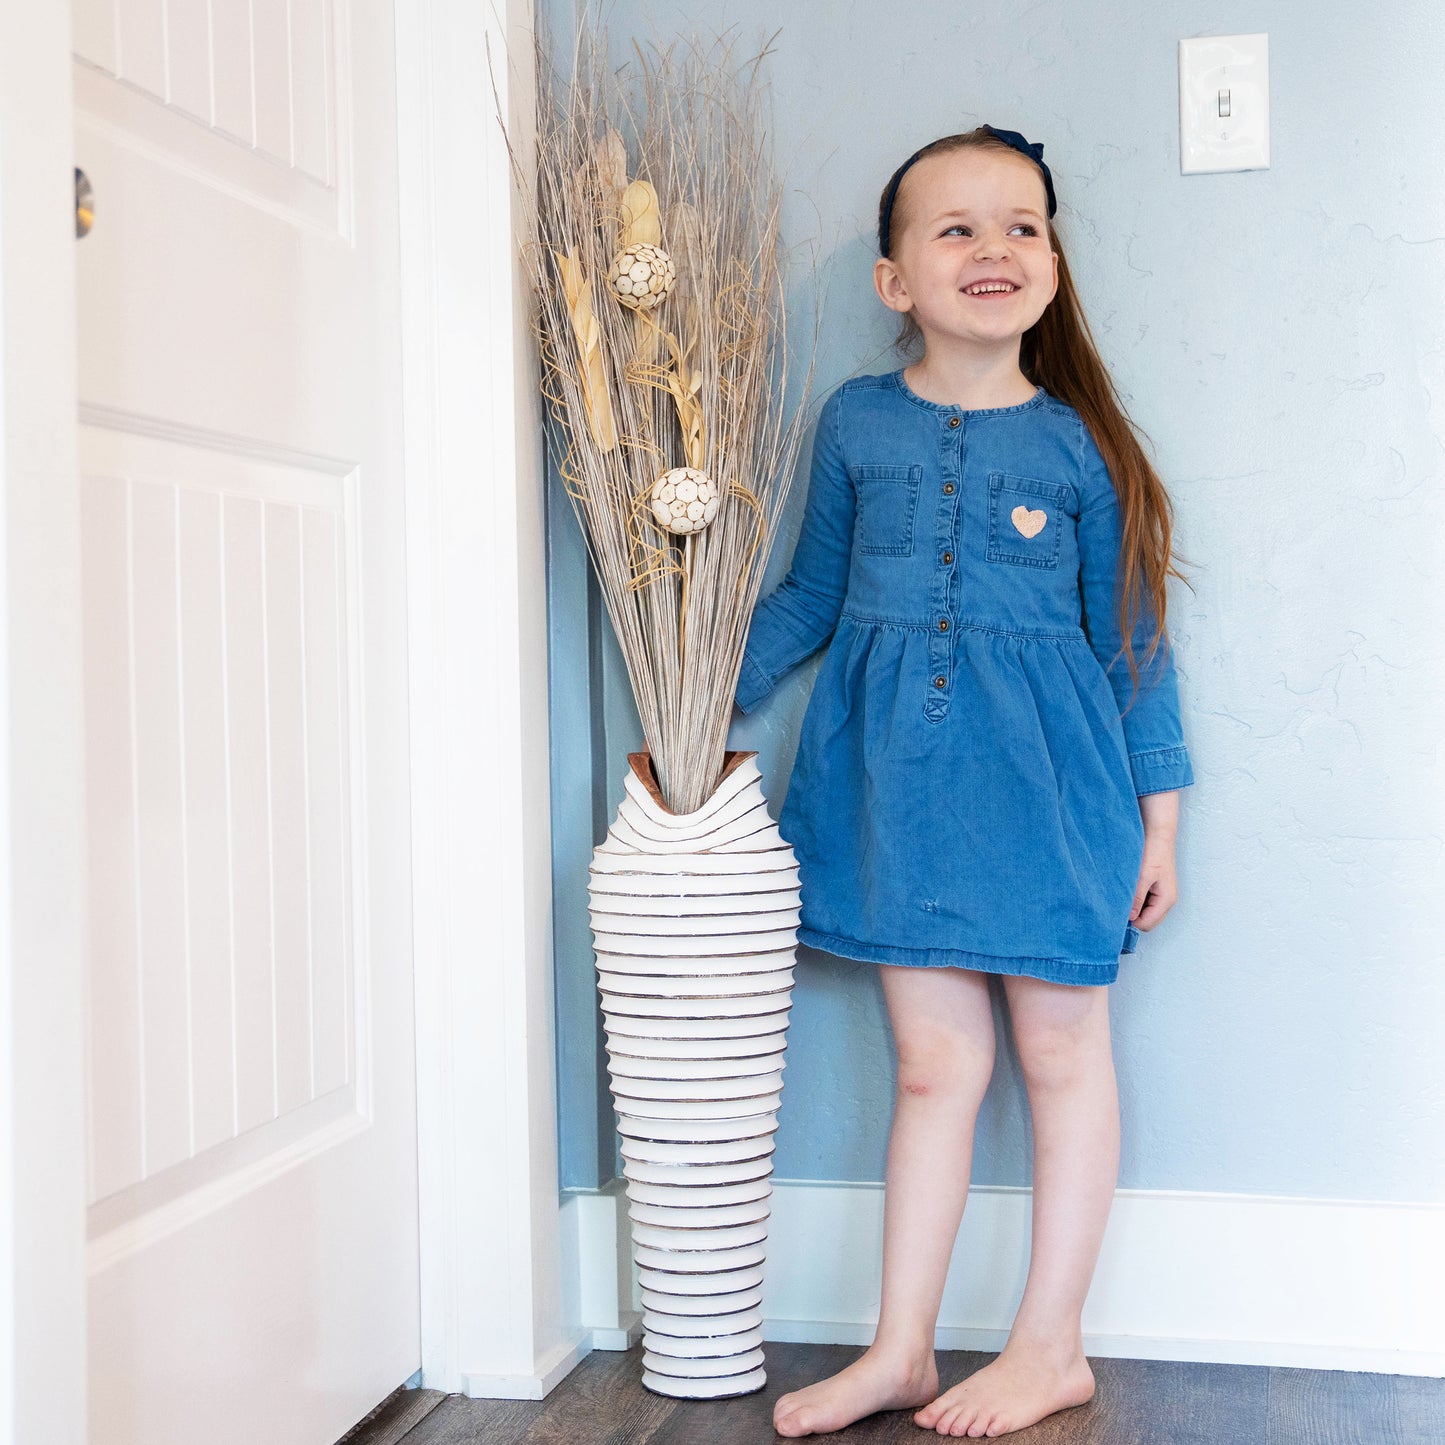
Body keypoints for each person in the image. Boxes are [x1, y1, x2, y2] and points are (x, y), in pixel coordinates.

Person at [731, 124, 1196, 1438]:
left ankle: (1049, 1344)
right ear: (892, 280)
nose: (992, 248)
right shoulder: (856, 422)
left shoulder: (1080, 450)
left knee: (1060, 1055)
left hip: (1058, 804)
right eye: (955, 227)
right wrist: (693, 679)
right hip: (897, 792)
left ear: (1051, 265)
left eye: (1021, 226)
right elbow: (811, 595)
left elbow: (1133, 642)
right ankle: (898, 1348)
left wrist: (1159, 817)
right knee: (933, 1067)